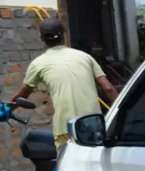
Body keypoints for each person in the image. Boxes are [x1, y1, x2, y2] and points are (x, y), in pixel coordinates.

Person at [12, 18, 118, 147]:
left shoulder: (38, 64)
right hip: (93, 125)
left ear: (42, 39)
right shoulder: (84, 57)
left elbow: (22, 95)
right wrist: (120, 114)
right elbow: (108, 89)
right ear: (64, 34)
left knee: (68, 165)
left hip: (66, 128)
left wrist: (8, 108)